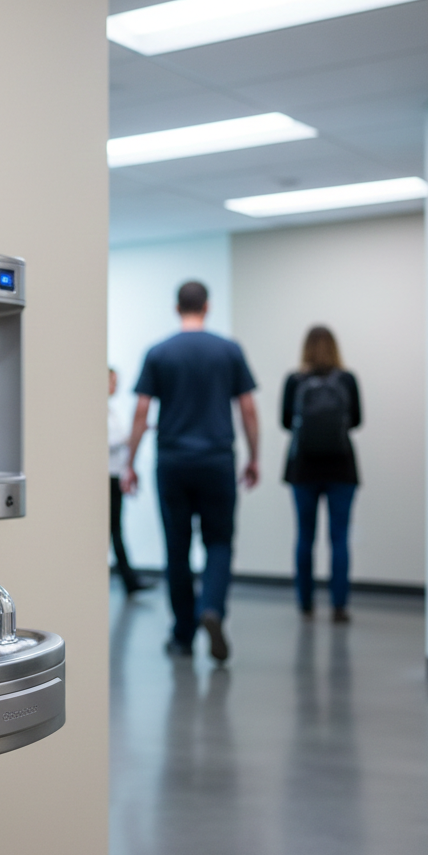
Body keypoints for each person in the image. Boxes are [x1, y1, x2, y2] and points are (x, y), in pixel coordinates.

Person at [121, 281, 259, 662]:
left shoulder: (159, 352)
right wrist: (254, 456)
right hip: (217, 460)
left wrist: (128, 463)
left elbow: (141, 412)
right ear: (207, 307)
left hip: (173, 462)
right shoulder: (228, 350)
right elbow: (248, 409)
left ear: (176, 307)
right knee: (219, 542)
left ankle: (182, 634)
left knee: (177, 548)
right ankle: (211, 609)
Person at [281, 325, 361, 623]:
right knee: (339, 538)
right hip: (342, 466)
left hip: (303, 467)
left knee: (305, 536)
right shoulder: (347, 379)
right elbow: (357, 420)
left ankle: (305, 602)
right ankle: (339, 606)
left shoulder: (294, 380)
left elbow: (286, 422)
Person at [108, 368, 151, 595]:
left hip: (115, 474)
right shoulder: (98, 412)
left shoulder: (111, 410)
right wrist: (129, 438)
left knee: (114, 529)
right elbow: (102, 441)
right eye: (113, 382)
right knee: (113, 530)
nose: (116, 387)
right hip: (106, 476)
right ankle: (128, 579)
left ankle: (129, 579)